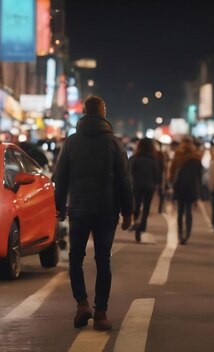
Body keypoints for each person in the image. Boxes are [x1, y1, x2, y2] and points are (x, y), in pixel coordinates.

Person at [54, 96, 134, 331]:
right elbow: (124, 180)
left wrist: (59, 207)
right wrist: (128, 212)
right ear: (103, 113)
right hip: (107, 209)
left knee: (75, 259)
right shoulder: (114, 143)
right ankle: (101, 312)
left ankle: (82, 304)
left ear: (83, 112)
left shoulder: (71, 142)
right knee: (103, 260)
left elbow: (61, 177)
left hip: (79, 208)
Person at [170, 136, 203, 244]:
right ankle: (187, 234)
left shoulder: (178, 155)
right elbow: (200, 174)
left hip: (179, 186)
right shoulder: (196, 156)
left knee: (180, 211)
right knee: (189, 211)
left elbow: (172, 171)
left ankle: (180, 234)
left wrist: (171, 183)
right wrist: (199, 188)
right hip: (191, 187)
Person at [130, 138, 161, 242]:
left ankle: (135, 223)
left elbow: (130, 172)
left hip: (137, 185)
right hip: (149, 186)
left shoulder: (135, 158)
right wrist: (157, 185)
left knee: (137, 206)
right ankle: (142, 228)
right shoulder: (153, 160)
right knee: (146, 208)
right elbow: (157, 175)